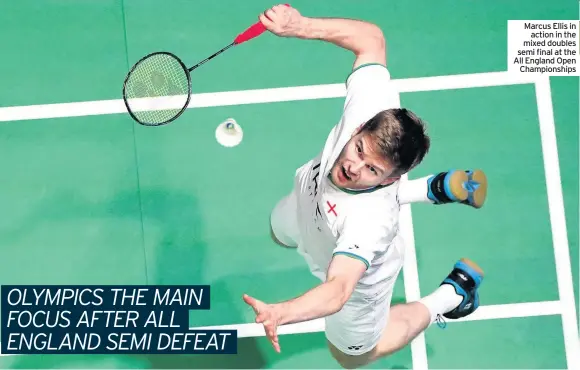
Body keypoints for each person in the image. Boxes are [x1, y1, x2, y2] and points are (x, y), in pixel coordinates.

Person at [242, 5, 486, 369]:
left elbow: (339, 288)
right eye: (358, 149)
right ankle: (434, 189)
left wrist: (284, 312)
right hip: (305, 204)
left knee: (351, 358)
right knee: (279, 233)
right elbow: (372, 40)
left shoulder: (370, 223)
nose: (351, 167)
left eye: (371, 169)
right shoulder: (372, 110)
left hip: (353, 278)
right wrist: (300, 25)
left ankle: (452, 295)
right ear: (359, 130)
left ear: (391, 179)